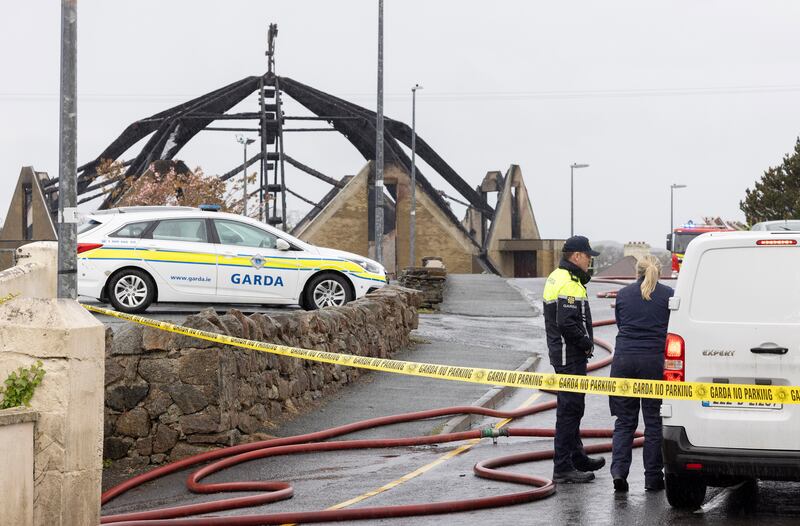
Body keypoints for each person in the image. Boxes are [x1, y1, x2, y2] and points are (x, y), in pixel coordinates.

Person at [543, 235, 606, 483]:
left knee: (572, 408)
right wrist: (587, 344)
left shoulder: (557, 276)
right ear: (577, 256)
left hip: (562, 354)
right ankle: (562, 468)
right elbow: (567, 323)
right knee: (570, 410)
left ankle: (577, 457)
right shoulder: (569, 283)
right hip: (570, 356)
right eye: (588, 256)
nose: (589, 260)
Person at [609, 255, 674, 492]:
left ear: (637, 271)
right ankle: (652, 477)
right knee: (654, 423)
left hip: (623, 362)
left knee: (624, 422)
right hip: (654, 364)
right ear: (658, 270)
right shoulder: (668, 294)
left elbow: (620, 324)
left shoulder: (623, 295)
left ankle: (619, 472)